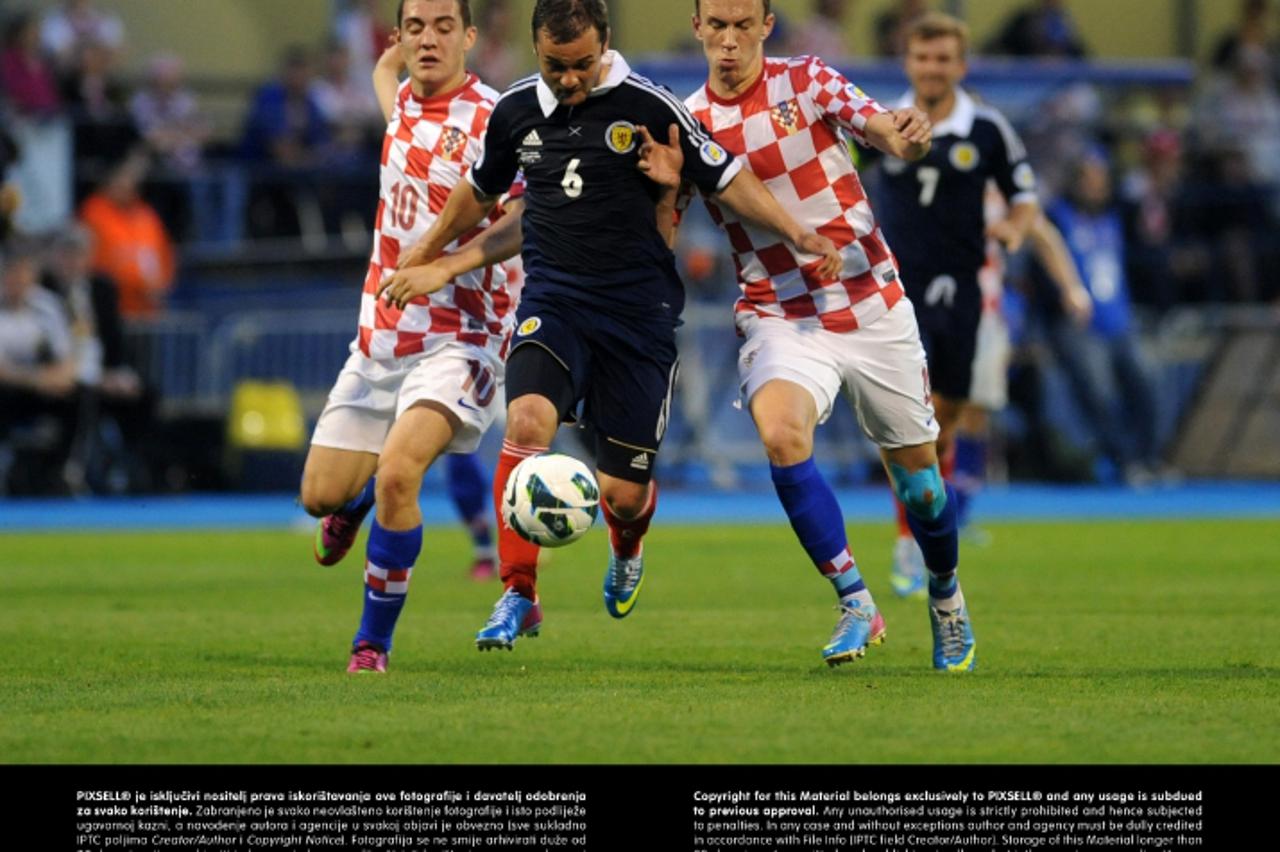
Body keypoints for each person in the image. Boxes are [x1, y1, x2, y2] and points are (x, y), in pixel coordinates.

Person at [379, 0, 841, 652]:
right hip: (555, 303)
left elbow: (728, 177)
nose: (568, 80)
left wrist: (796, 231)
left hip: (637, 317)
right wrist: (430, 256)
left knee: (622, 494)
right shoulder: (513, 112)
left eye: (581, 66)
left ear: (606, 45)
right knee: (527, 424)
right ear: (537, 51)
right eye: (553, 66)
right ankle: (518, 593)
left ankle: (627, 546)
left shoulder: (651, 107)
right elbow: (481, 191)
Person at [670, 0, 971, 670]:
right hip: (779, 311)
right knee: (781, 432)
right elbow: (664, 218)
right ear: (697, 28)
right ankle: (856, 601)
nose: (728, 39)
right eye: (715, 25)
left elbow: (889, 133)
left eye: (742, 25)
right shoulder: (687, 124)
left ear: (766, 26)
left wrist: (911, 133)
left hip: (870, 303)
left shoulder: (806, 80)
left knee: (921, 484)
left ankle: (946, 597)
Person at [298, 0, 525, 673]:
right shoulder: (399, 102)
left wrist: (445, 266)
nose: (430, 40)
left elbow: (521, 219)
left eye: (445, 27)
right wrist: (389, 57)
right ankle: (356, 501)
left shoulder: (493, 119)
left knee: (402, 474)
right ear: (401, 38)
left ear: (470, 37)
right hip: (382, 334)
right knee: (319, 496)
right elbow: (383, 75)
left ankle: (372, 644)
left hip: (466, 333)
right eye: (416, 28)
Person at [872, 12, 1039, 603]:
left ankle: (920, 529)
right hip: (894, 290)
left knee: (946, 422)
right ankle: (906, 541)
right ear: (909, 62)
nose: (932, 68)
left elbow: (1025, 197)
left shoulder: (987, 130)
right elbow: (839, 178)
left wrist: (1015, 231)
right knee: (913, 419)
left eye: (943, 59)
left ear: (960, 66)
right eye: (923, 57)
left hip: (963, 289)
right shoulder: (881, 124)